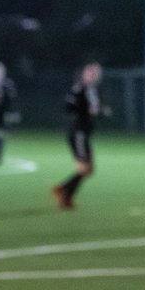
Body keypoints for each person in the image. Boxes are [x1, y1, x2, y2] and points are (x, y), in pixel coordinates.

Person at [52, 62, 108, 210]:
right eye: (91, 73)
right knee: (83, 168)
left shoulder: (94, 91)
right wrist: (84, 109)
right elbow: (68, 107)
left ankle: (65, 190)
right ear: (84, 74)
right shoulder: (79, 89)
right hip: (78, 133)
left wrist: (102, 111)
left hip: (85, 133)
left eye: (96, 74)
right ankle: (64, 193)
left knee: (89, 170)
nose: (94, 76)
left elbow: (96, 111)